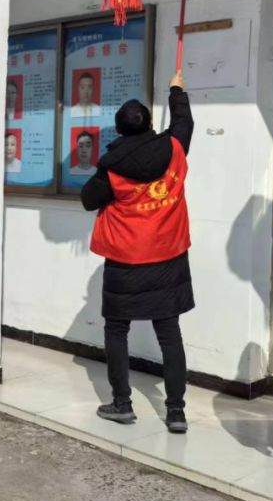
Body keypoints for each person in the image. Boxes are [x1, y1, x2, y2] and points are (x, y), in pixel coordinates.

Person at [82, 72, 194, 433]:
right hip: (168, 258)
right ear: (148, 125)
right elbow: (183, 122)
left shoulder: (112, 167)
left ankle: (122, 404)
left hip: (125, 260)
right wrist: (176, 89)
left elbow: (88, 200)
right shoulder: (174, 147)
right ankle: (175, 412)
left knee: (117, 330)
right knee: (169, 333)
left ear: (119, 130)